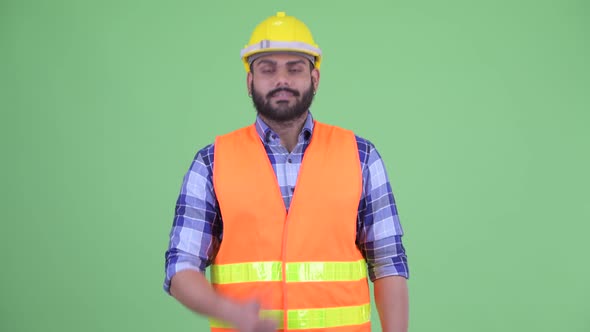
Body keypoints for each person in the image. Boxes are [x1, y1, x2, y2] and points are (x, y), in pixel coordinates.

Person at [164, 11, 409, 332]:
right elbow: (181, 266)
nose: (282, 80)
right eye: (267, 69)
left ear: (315, 78)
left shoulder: (361, 156)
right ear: (250, 80)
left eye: (295, 68)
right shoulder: (211, 162)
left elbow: (389, 262)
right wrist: (229, 311)